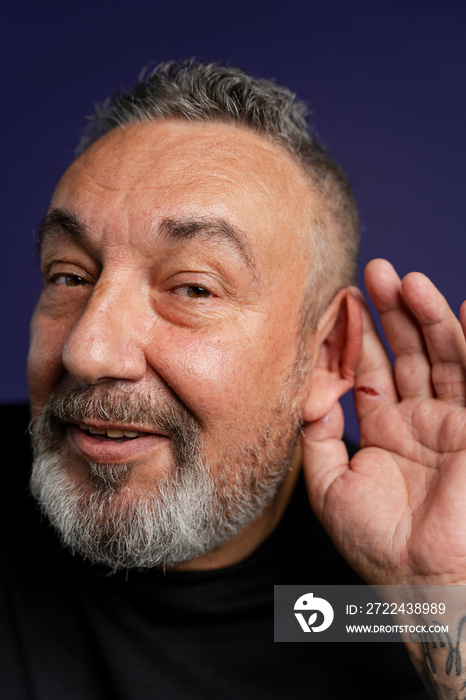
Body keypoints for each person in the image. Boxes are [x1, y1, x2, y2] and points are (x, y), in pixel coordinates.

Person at [3, 59, 465, 698]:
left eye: (193, 286)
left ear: (327, 352)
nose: (89, 349)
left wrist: (441, 605)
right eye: (70, 276)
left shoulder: (393, 591)